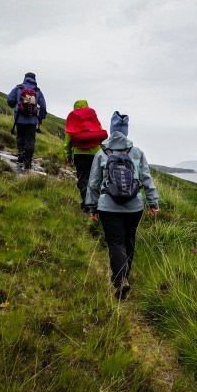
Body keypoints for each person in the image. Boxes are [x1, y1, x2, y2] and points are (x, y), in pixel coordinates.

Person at [84, 113, 159, 299]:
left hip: (108, 206)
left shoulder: (102, 153)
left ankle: (120, 279)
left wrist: (92, 206)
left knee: (115, 242)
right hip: (134, 206)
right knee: (129, 240)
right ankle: (125, 275)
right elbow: (147, 179)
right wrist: (153, 202)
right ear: (126, 131)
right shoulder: (137, 152)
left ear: (111, 130)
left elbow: (93, 182)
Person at [64, 100, 108, 210]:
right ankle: (95, 204)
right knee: (95, 179)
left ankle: (87, 204)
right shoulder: (93, 118)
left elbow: (67, 140)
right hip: (95, 154)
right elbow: (100, 136)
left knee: (83, 179)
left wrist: (69, 155)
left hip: (80, 154)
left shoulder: (73, 119)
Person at [6, 71, 48, 172]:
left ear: (25, 78)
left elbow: (9, 99)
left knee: (20, 135)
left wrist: (15, 105)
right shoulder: (37, 91)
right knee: (30, 140)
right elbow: (43, 106)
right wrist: (40, 118)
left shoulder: (18, 88)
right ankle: (28, 161)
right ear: (35, 79)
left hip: (19, 118)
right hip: (32, 120)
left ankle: (21, 153)